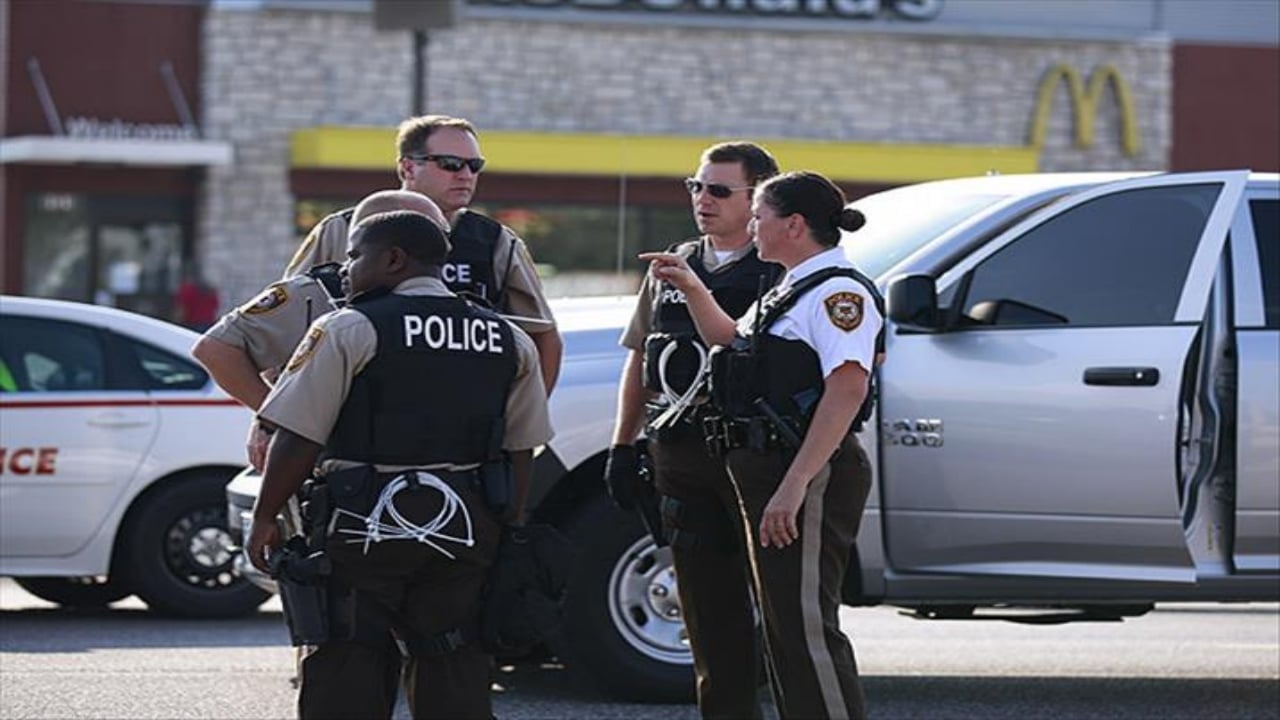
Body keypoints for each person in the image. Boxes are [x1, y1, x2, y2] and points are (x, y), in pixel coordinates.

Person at [246, 210, 551, 720]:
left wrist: (264, 516)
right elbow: (522, 449)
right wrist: (509, 529)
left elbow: (298, 436)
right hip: (467, 527)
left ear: (393, 259)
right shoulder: (506, 337)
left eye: (354, 256)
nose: (344, 270)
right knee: (454, 667)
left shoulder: (348, 327)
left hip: (360, 528)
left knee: (347, 668)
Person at [639, 171, 883, 720]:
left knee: (803, 632)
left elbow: (848, 387)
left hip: (805, 467)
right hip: (771, 465)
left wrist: (794, 485)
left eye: (759, 216)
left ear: (794, 225)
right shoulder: (790, 285)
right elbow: (731, 340)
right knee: (782, 628)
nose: (751, 226)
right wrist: (693, 288)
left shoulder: (837, 292)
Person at [605, 142, 781, 719]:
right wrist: (623, 443)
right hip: (680, 451)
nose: (702, 200)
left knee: (784, 616)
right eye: (695, 186)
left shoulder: (782, 266)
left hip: (755, 454)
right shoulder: (673, 262)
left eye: (718, 190)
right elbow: (641, 357)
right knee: (706, 615)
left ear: (758, 197)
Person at [282, 114, 563, 394]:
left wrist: (521, 423)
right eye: (450, 164)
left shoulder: (496, 242)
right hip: (360, 411)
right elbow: (281, 326)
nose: (465, 175)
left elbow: (544, 337)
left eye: (475, 166)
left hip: (464, 410)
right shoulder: (341, 230)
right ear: (407, 168)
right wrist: (286, 416)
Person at [191, 190, 449, 470]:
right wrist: (277, 416)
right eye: (434, 230)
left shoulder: (448, 299)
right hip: (340, 470)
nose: (443, 243)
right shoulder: (317, 292)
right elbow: (215, 349)